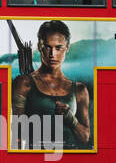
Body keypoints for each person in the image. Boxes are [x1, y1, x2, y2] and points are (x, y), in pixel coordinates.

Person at [11, 20, 92, 148]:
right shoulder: (24, 83)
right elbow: (16, 131)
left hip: (69, 158)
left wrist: (71, 120)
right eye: (48, 47)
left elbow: (85, 138)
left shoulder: (79, 90)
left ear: (67, 48)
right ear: (39, 47)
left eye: (58, 48)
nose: (52, 54)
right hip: (36, 156)